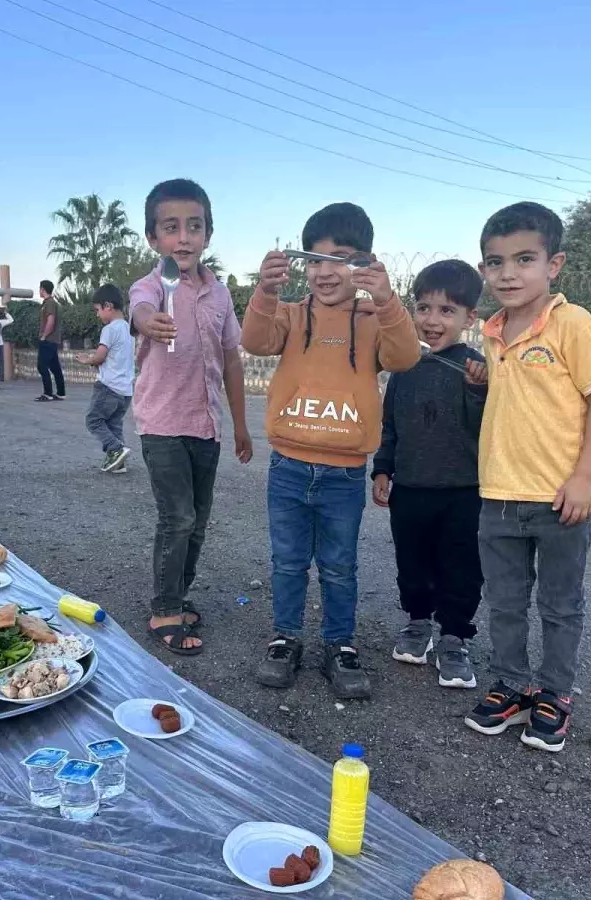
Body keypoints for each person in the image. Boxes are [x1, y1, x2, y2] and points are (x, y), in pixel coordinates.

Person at [242, 202, 421, 700]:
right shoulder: (290, 314)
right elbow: (253, 341)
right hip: (288, 467)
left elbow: (405, 357)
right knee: (287, 561)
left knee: (340, 565)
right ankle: (286, 639)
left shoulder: (373, 319)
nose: (325, 271)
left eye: (340, 258)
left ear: (365, 261)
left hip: (344, 473)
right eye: (314, 259)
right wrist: (265, 290)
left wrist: (388, 301)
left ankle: (339, 645)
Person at [462, 202, 591, 753]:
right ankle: (510, 684)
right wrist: (483, 384)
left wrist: (586, 478)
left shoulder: (573, 324)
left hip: (559, 499)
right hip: (498, 495)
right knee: (503, 601)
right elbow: (516, 400)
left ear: (554, 265)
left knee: (559, 603)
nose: (508, 273)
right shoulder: (491, 330)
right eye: (495, 261)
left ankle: (555, 692)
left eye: (524, 259)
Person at [130, 178, 253, 656]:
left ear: (208, 234)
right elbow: (138, 308)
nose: (183, 237)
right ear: (153, 238)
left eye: (194, 227)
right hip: (161, 424)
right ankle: (164, 608)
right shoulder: (152, 285)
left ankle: (179, 595)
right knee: (177, 518)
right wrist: (145, 320)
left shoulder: (219, 294)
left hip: (206, 426)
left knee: (198, 522)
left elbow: (233, 360)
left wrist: (241, 425)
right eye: (171, 227)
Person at [371, 259, 487, 691]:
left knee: (462, 566)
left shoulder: (476, 368)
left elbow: (484, 429)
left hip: (464, 492)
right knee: (412, 562)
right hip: (412, 489)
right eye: (424, 308)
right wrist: (383, 468)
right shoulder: (404, 363)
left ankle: (455, 638)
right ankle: (418, 623)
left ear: (468, 318)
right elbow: (391, 424)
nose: (432, 320)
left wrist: (479, 392)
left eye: (446, 311)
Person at [79, 284, 134, 474]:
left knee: (93, 421)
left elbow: (101, 356)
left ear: (108, 306)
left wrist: (88, 361)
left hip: (108, 387)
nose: (97, 315)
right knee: (114, 425)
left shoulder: (110, 329)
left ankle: (116, 449)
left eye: (97, 310)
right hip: (126, 391)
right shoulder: (129, 328)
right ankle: (119, 463)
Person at [35, 279, 66, 401]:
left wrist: (44, 336)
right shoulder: (50, 303)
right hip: (52, 340)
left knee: (42, 366)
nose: (39, 291)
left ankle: (48, 393)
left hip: (48, 340)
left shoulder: (50, 303)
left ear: (43, 289)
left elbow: (51, 320)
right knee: (54, 367)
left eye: (40, 289)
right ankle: (60, 393)